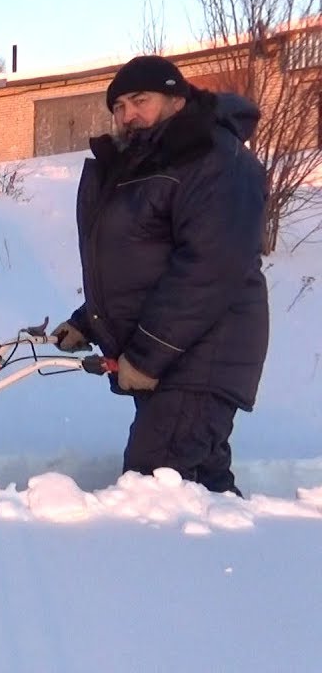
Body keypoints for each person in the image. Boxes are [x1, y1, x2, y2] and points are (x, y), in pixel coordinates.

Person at [52, 55, 270, 497]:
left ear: (176, 98)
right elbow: (139, 263)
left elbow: (208, 269)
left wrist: (148, 356)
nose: (128, 114)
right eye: (118, 107)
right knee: (201, 489)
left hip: (200, 356)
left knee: (154, 486)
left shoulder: (213, 158)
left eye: (140, 100)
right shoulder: (149, 163)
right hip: (177, 360)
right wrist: (86, 320)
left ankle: (169, 566)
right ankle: (236, 559)